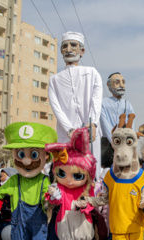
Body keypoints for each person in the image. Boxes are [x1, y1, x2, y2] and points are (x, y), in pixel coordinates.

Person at [0, 122, 57, 239]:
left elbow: (48, 197)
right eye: (21, 154)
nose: (26, 161)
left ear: (46, 156)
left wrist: (53, 198)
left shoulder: (44, 180)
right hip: (18, 228)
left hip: (38, 229)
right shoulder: (14, 180)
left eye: (34, 154)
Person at [48, 31, 103, 179]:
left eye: (73, 45)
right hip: (66, 135)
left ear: (82, 50)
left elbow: (96, 100)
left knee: (91, 174)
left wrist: (93, 124)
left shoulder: (92, 73)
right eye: (65, 46)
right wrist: (69, 130)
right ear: (61, 51)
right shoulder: (54, 80)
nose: (69, 49)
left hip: (90, 133)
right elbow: (56, 107)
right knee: (67, 173)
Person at [45, 128, 98, 240]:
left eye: (77, 176)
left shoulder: (87, 188)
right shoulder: (61, 187)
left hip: (82, 227)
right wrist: (54, 195)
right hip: (64, 228)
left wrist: (85, 205)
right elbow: (56, 201)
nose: (69, 181)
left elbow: (92, 203)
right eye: (62, 174)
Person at [100, 72, 134, 168]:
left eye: (123, 82)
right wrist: (115, 142)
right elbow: (104, 124)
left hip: (124, 146)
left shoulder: (128, 105)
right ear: (109, 85)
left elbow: (131, 128)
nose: (121, 85)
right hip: (108, 144)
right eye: (117, 82)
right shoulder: (103, 103)